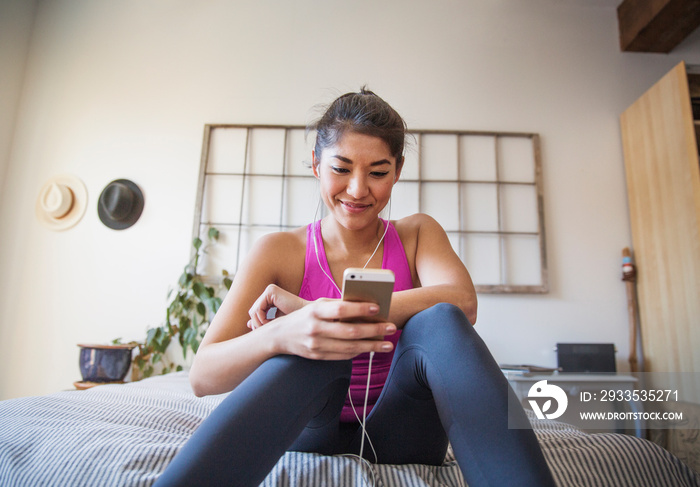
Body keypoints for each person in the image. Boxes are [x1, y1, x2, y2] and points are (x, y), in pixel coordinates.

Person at [155, 88, 556, 487]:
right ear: (315, 164)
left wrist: (327, 309)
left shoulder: (417, 234)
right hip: (311, 431)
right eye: (341, 169)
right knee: (315, 342)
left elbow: (463, 302)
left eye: (378, 172)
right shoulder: (279, 251)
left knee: (440, 320)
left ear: (397, 171)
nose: (358, 189)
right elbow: (202, 376)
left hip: (404, 433)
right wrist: (288, 329)